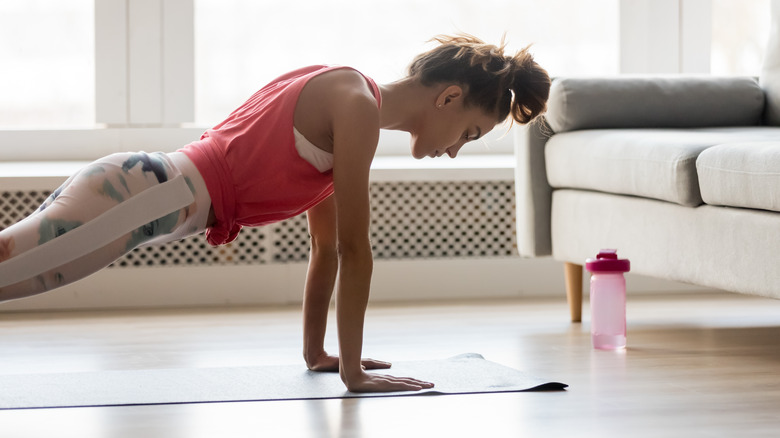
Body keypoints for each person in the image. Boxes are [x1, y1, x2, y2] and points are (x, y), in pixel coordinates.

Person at [0, 34, 550, 392]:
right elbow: (359, 250)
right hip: (143, 197)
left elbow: (328, 247)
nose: (456, 149)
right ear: (449, 97)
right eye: (469, 134)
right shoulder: (355, 106)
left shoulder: (350, 103)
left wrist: (320, 354)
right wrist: (355, 375)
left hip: (139, 191)